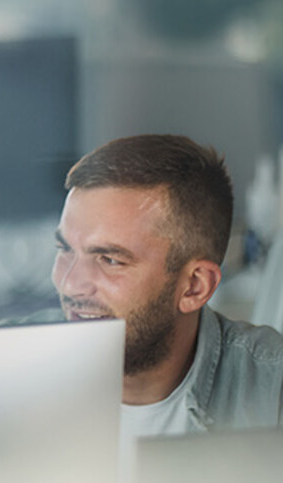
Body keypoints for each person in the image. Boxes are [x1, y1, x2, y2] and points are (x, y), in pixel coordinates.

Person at [45, 134, 283, 438]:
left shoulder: (272, 392)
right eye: (64, 249)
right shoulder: (1, 373)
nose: (70, 284)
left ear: (195, 287)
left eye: (109, 259)